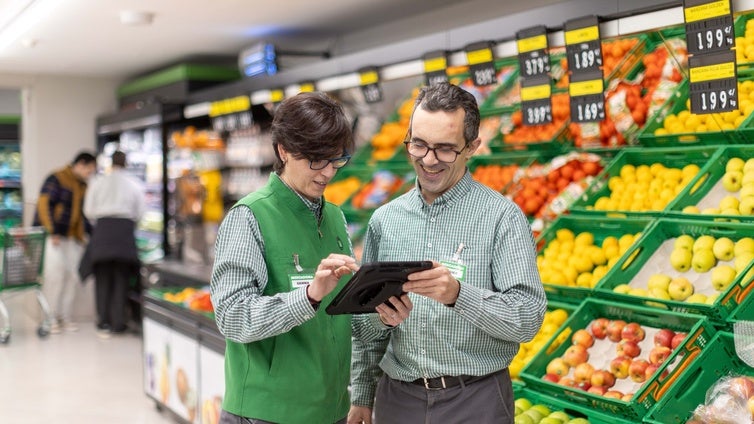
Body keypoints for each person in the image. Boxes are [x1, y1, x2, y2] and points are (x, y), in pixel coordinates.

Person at [348, 82, 547, 424]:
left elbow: (527, 317)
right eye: (419, 145)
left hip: (476, 399)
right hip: (398, 400)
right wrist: (363, 394)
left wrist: (458, 294)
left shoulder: (501, 217)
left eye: (444, 149)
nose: (428, 160)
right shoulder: (385, 220)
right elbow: (362, 326)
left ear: (472, 147)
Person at [210, 92, 359, 424]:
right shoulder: (249, 216)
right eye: (316, 160)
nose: (327, 173)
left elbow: (344, 316)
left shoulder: (335, 218)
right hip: (266, 413)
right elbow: (232, 317)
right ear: (284, 150)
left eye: (336, 160)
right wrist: (308, 296)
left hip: (331, 410)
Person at [82, 150, 146, 338]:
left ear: (111, 163)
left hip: (102, 231)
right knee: (121, 279)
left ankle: (103, 322)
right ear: (126, 163)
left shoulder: (98, 183)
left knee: (102, 279)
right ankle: (119, 323)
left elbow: (88, 211)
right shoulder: (134, 184)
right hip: (124, 233)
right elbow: (140, 212)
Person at [34, 151, 98, 334]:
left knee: (72, 277)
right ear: (80, 164)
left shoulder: (83, 186)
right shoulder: (57, 178)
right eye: (89, 170)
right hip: (53, 237)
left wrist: (91, 235)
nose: (90, 174)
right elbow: (44, 204)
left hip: (72, 239)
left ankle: (64, 316)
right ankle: (50, 317)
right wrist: (52, 230)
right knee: (55, 276)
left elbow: (83, 215)